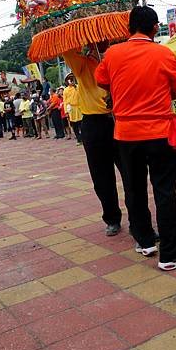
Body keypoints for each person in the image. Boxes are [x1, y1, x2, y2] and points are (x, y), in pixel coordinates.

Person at [95, 6, 176, 271]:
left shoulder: (112, 53)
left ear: (128, 28)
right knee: (164, 190)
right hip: (158, 132)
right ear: (155, 27)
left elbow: (101, 80)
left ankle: (144, 240)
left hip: (125, 134)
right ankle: (170, 252)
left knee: (134, 188)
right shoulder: (163, 53)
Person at [64, 45, 125, 236]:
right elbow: (66, 49)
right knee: (101, 176)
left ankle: (140, 221)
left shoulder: (117, 59)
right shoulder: (82, 64)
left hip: (119, 120)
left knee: (132, 173)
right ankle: (112, 218)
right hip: (93, 123)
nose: (100, 43)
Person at [63, 73, 82, 145]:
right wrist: (66, 111)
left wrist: (75, 86)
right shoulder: (66, 90)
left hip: (79, 108)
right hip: (71, 108)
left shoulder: (77, 87)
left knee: (81, 124)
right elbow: (65, 101)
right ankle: (78, 139)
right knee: (74, 125)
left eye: (72, 79)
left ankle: (83, 138)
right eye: (69, 79)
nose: (71, 80)